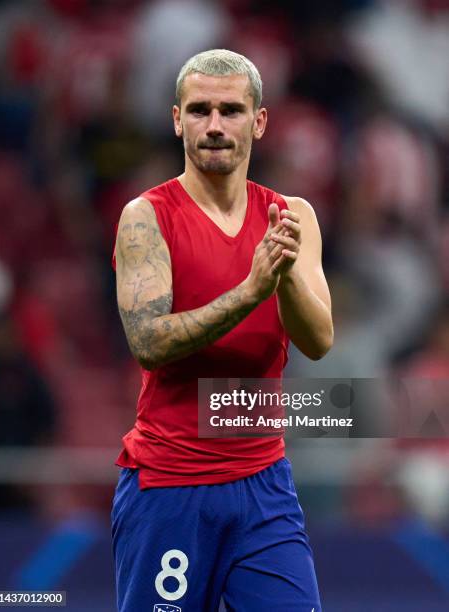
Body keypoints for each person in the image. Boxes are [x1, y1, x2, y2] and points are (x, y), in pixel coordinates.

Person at [111, 49, 333, 612]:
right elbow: (149, 341)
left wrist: (281, 280)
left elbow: (318, 340)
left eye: (230, 110)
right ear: (176, 119)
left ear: (259, 121)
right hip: (171, 486)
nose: (214, 126)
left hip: (265, 485)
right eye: (199, 110)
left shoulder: (292, 216)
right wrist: (249, 291)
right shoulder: (147, 216)